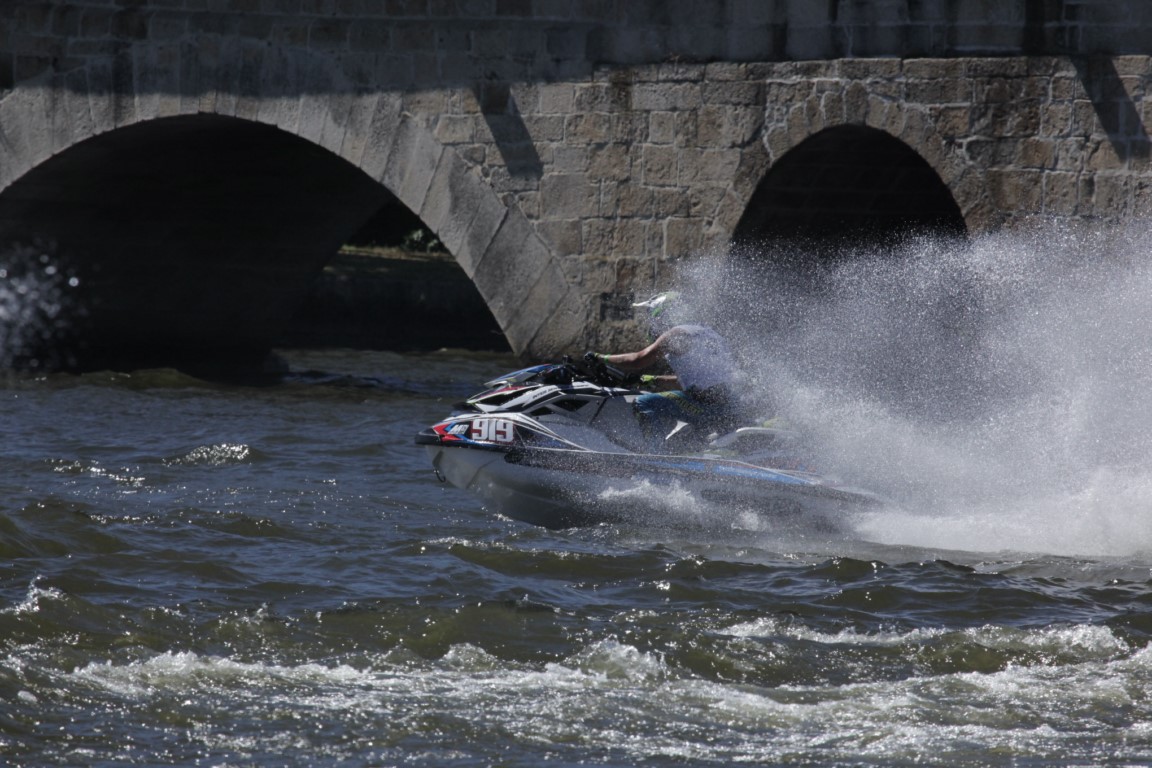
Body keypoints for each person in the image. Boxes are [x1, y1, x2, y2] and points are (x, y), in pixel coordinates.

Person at [589, 291, 743, 452]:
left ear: (662, 314)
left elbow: (637, 359)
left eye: (651, 315)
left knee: (644, 402)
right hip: (727, 405)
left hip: (706, 405)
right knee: (678, 438)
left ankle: (655, 456)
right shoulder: (707, 333)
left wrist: (601, 357)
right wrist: (651, 379)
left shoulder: (676, 333)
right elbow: (696, 378)